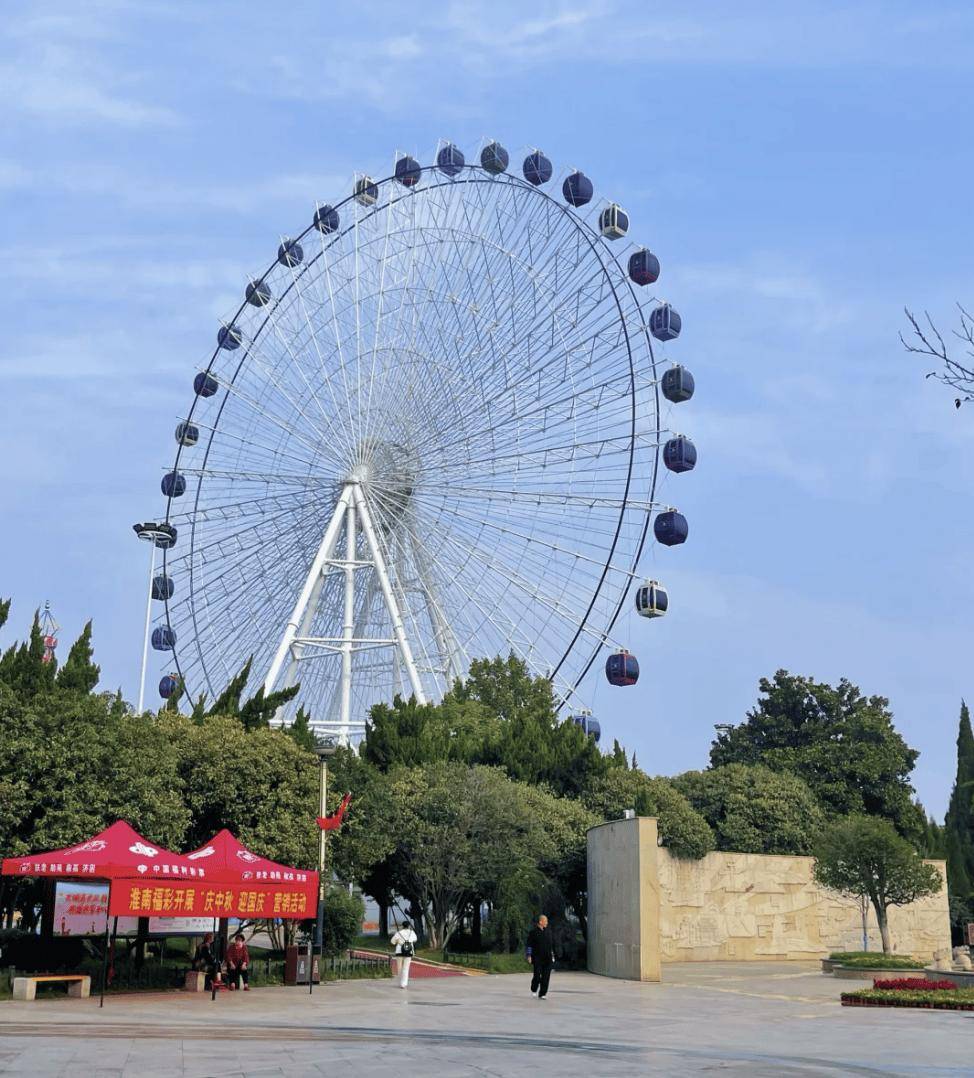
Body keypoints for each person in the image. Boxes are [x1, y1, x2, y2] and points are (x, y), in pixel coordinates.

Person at [525, 914, 555, 999]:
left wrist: (552, 955)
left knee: (546, 977)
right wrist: (529, 955)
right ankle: (534, 989)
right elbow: (529, 945)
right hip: (537, 958)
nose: (547, 923)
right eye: (545, 921)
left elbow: (551, 945)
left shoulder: (548, 932)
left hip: (548, 958)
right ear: (540, 922)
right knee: (537, 976)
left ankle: (542, 993)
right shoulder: (533, 932)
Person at [390, 919, 418, 989]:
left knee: (399, 968)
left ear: (402, 926)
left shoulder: (399, 933)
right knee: (406, 968)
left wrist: (398, 941)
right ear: (409, 926)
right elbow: (415, 939)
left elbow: (392, 942)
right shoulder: (412, 932)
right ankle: (404, 984)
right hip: (409, 952)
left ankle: (400, 982)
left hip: (399, 951)